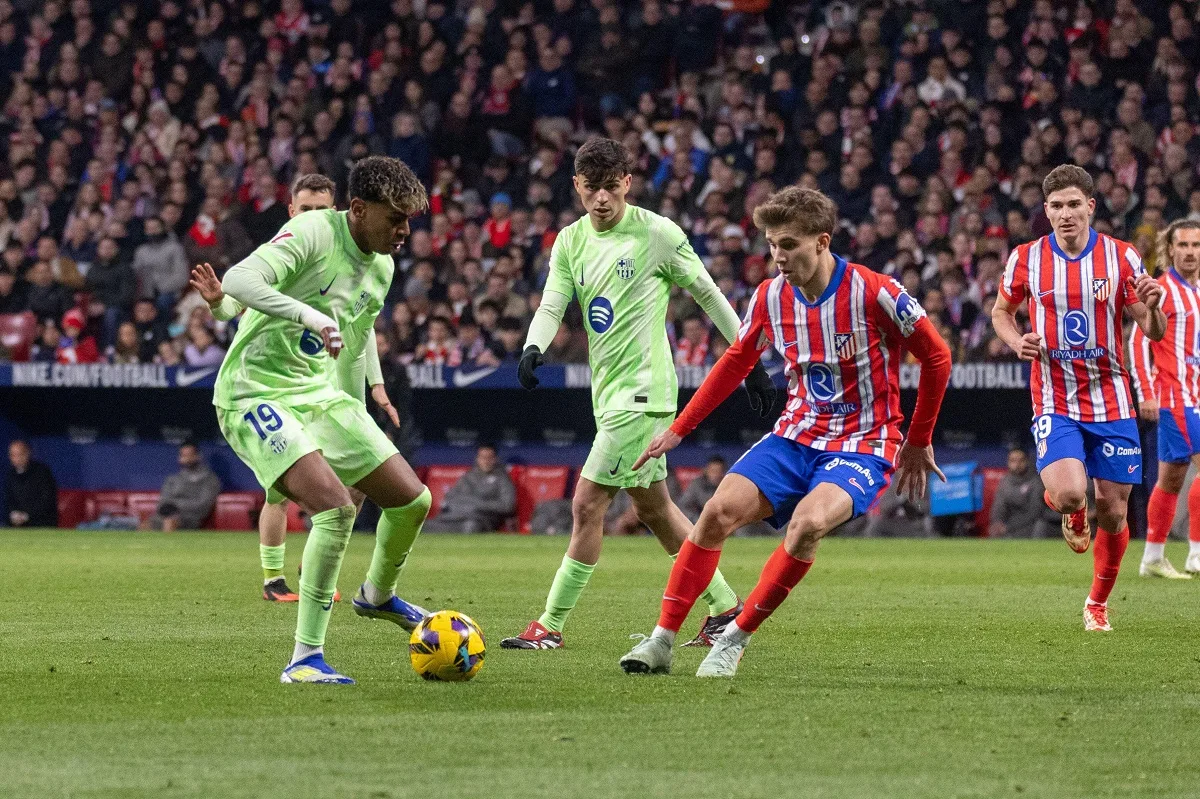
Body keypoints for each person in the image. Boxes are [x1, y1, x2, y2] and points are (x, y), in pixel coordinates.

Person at [619, 186, 952, 678]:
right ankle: (661, 641)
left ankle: (734, 639)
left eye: (789, 245)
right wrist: (680, 428)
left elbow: (937, 357)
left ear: (822, 241)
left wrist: (918, 439)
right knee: (714, 514)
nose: (778, 256)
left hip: (863, 443)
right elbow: (736, 361)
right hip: (795, 435)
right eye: (772, 244)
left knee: (807, 525)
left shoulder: (875, 291)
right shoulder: (770, 296)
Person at [500, 137, 776, 650]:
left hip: (643, 394)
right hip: (609, 395)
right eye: (592, 188)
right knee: (655, 510)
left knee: (587, 504)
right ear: (577, 186)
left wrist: (750, 362)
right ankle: (724, 608)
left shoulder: (657, 234)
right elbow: (553, 301)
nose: (602, 197)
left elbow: (709, 294)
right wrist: (533, 346)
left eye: (612, 186)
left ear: (627, 183)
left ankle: (550, 626)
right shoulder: (570, 241)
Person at [206, 156, 432, 684]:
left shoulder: (382, 267)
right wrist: (308, 314)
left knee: (412, 500)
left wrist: (360, 411)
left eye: (408, 220)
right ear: (359, 209)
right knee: (334, 509)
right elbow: (239, 279)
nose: (404, 231)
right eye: (395, 218)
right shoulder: (313, 231)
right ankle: (304, 659)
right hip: (253, 392)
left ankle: (377, 595)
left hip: (319, 394)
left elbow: (354, 339)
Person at [191, 173, 392, 603]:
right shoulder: (283, 256)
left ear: (336, 211)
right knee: (280, 492)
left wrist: (375, 385)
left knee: (357, 482)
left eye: (321, 210)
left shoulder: (348, 263)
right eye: (305, 210)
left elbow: (362, 328)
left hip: (320, 384)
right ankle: (273, 579)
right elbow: (233, 305)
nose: (313, 216)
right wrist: (217, 301)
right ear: (291, 211)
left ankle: (317, 563)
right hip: (269, 384)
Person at [992, 164, 1166, 632]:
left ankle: (1097, 603)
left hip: (1112, 398)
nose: (1065, 214)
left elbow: (1152, 330)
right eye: (1056, 206)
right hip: (1055, 397)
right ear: (1046, 211)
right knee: (1071, 494)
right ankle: (1069, 510)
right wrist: (1016, 341)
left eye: (1073, 204)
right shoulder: (1026, 258)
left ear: (1090, 206)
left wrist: (1154, 309)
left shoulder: (1121, 257)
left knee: (1113, 511)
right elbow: (1002, 312)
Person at [1128, 218, 1200, 578]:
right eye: (1182, 245)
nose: (1190, 252)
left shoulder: (1198, 291)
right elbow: (1138, 341)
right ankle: (1197, 553)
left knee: (1170, 480)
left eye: (1196, 245)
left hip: (1195, 394)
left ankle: (1153, 557)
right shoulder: (1162, 289)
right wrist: (1145, 392)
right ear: (1169, 249)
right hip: (1176, 396)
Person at [424, 445, 517, 533]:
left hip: (482, 519)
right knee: (425, 525)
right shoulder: (469, 476)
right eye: (483, 457)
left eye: (489, 458)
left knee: (470, 526)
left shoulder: (502, 479)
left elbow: (507, 506)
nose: (486, 461)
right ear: (477, 459)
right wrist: (466, 504)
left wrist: (478, 505)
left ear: (495, 459)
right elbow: (449, 498)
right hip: (456, 516)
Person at [145, 442, 222, 531]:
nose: (187, 459)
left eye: (190, 455)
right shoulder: (173, 479)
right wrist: (171, 509)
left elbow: (203, 505)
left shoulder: (209, 479)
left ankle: (168, 539)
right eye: (184, 456)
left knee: (170, 521)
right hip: (167, 514)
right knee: (148, 523)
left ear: (198, 456)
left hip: (191, 518)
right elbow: (163, 503)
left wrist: (175, 506)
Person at [988, 447, 1057, 538]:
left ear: (1027, 461)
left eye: (1021, 460)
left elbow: (1035, 512)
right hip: (1010, 526)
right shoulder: (1005, 481)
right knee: (995, 532)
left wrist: (1008, 527)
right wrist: (997, 523)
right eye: (1013, 461)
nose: (1017, 464)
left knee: (1040, 526)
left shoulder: (1036, 480)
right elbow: (999, 507)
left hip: (1031, 524)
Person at [4, 439, 57, 527]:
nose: (17, 459)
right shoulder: (10, 475)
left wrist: (26, 516)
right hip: (18, 524)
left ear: (28, 453)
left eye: (20, 454)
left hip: (42, 523)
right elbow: (9, 500)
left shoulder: (42, 472)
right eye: (13, 455)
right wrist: (14, 514)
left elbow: (47, 501)